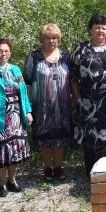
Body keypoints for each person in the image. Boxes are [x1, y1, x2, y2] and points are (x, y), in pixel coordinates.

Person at [71, 14, 106, 176]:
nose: (100, 30)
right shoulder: (80, 49)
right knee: (89, 135)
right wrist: (75, 98)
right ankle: (90, 170)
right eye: (97, 27)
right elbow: (73, 77)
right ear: (91, 30)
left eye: (103, 27)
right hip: (87, 99)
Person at [0, 39, 33, 197]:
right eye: (1, 51)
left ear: (10, 52)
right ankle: (1, 183)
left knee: (15, 150)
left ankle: (12, 180)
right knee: (1, 150)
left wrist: (28, 110)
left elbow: (23, 93)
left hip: (16, 115)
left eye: (7, 51)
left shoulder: (16, 70)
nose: (4, 54)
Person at [24, 24, 72, 182]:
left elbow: (73, 81)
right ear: (42, 39)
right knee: (44, 139)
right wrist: (28, 105)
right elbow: (27, 82)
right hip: (41, 107)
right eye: (47, 38)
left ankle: (58, 167)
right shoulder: (34, 57)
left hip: (62, 106)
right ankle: (47, 168)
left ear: (59, 39)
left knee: (60, 138)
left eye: (54, 38)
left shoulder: (66, 57)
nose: (51, 41)